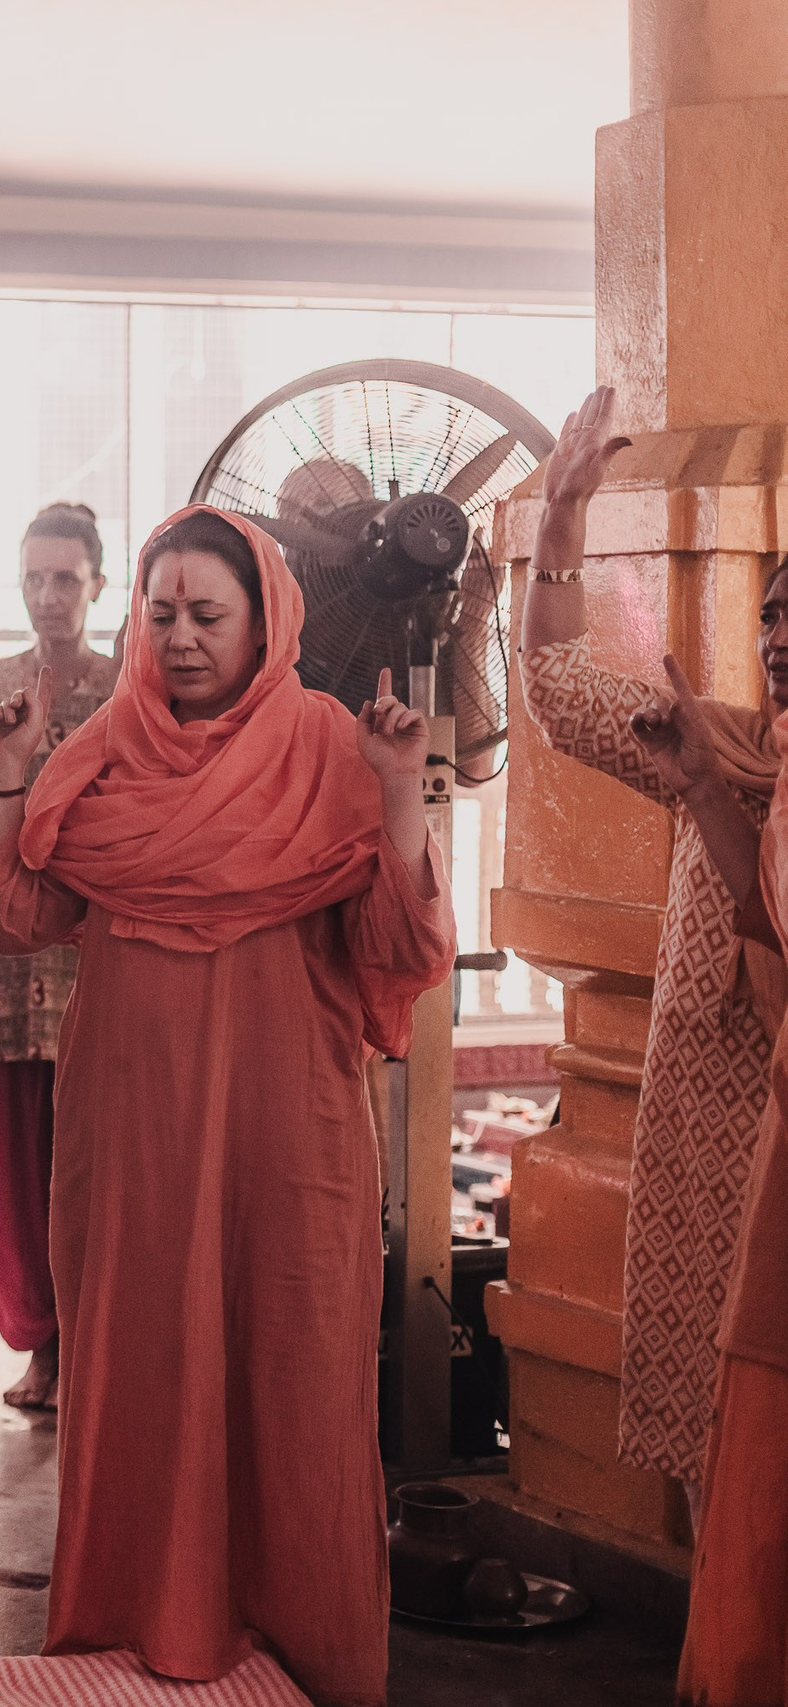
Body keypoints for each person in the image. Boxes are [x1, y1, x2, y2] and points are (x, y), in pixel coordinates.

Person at [0, 504, 452, 1707]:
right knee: (135, 1366)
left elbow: (404, 942)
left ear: (264, 619)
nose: (179, 639)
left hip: (290, 1131)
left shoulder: (332, 750)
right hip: (133, 1129)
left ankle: (308, 1650)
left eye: (206, 616)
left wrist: (397, 796)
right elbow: (11, 917)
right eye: (161, 613)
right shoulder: (104, 751)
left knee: (294, 1371)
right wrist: (6, 777)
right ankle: (136, 1639)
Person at [518, 386, 777, 1507]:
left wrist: (719, 809)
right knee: (721, 1441)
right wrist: (562, 516)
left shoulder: (725, 773)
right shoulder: (713, 736)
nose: (779, 641)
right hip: (696, 1130)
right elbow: (559, 692)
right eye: (771, 616)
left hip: (779, 1140)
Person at [0, 502, 120, 1408]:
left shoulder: (131, 688)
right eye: (34, 578)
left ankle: (100, 1346)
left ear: (97, 584)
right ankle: (41, 1350)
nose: (49, 596)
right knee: (13, 1170)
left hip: (100, 962)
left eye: (65, 579)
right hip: (9, 963)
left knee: (101, 1165)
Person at [654, 562, 788, 1704]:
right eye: (772, 613)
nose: (780, 637)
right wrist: (705, 787)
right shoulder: (773, 770)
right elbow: (772, 941)